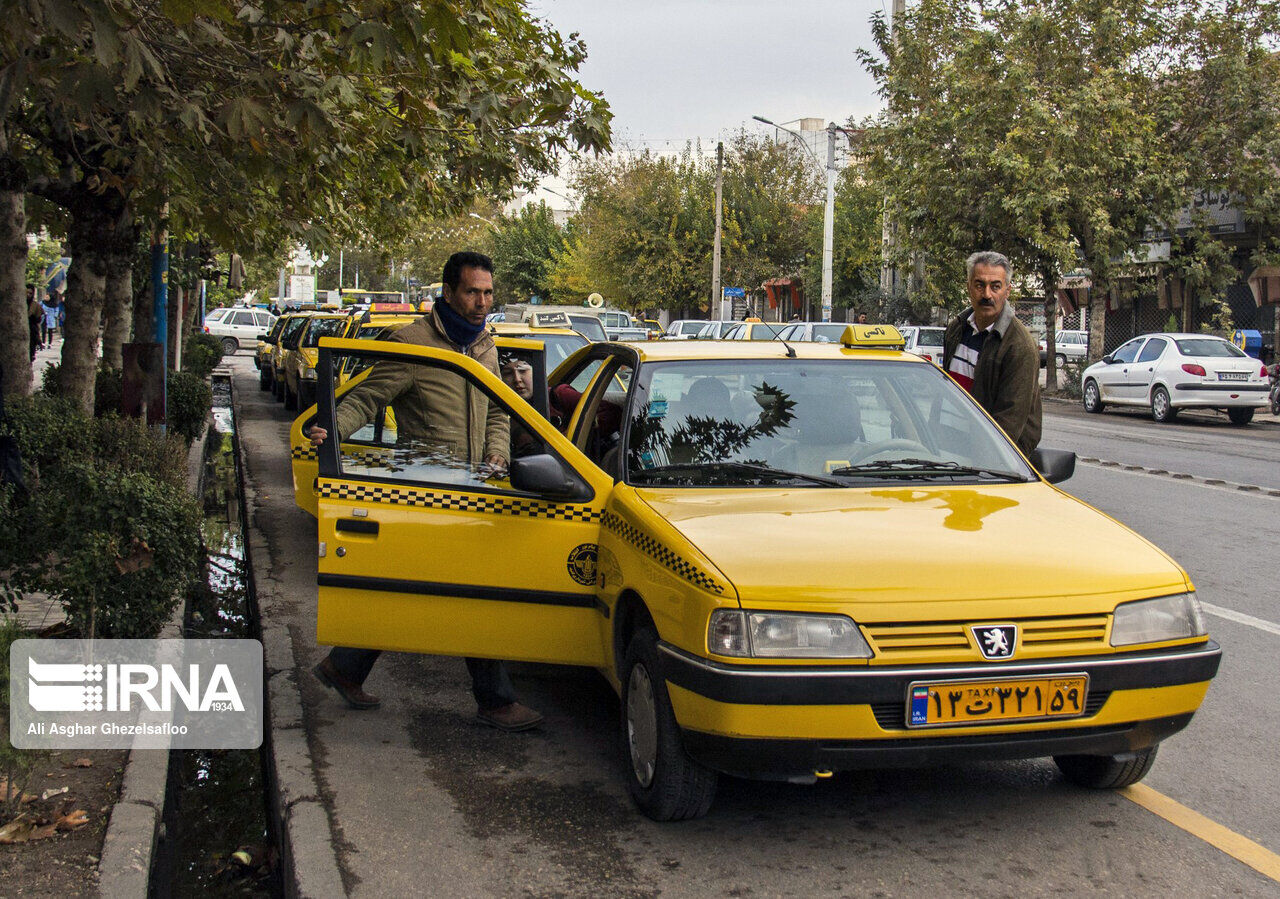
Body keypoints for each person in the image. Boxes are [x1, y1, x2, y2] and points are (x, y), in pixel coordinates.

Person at [307, 251, 542, 732]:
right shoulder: (412, 343)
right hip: (428, 492)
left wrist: (498, 452)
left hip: (474, 490)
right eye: (473, 292)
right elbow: (369, 397)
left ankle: (344, 666)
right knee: (472, 593)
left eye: (488, 292)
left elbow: (499, 410)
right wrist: (329, 430)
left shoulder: (484, 345)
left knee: (417, 591)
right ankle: (495, 701)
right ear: (450, 292)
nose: (482, 302)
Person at [941, 251, 1042, 455]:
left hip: (993, 460)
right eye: (980, 285)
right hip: (948, 451)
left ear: (1007, 291)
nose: (987, 295)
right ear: (969, 287)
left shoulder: (1019, 346)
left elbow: (1009, 423)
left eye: (995, 286)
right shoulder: (956, 330)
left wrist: (984, 465)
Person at [26, 285, 42, 359]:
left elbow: (38, 320)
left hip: (31, 332)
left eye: (30, 293)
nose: (28, 295)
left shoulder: (35, 305)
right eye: (26, 292)